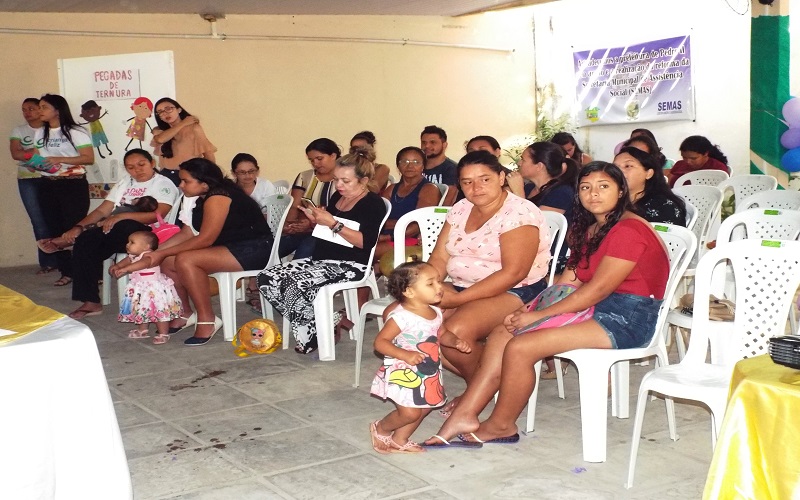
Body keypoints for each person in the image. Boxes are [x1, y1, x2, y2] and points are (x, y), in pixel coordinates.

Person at [424, 162, 670, 445]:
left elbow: (596, 290)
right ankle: (466, 413)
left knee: (521, 347)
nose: (594, 195)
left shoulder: (628, 230)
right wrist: (529, 310)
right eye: (586, 188)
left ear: (621, 190)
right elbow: (570, 282)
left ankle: (501, 425)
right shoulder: (594, 229)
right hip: (598, 308)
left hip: (627, 317)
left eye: (604, 187)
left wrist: (536, 318)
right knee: (506, 330)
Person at [426, 150, 551, 397]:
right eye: (467, 182)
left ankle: (476, 395)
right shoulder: (461, 208)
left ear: (502, 177)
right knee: (406, 319)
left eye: (485, 179)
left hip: (516, 289)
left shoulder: (518, 212)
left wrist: (460, 300)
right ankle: (485, 383)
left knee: (455, 333)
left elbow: (514, 272)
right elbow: (440, 258)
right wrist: (426, 287)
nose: (476, 187)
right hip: (461, 284)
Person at [258, 147, 388, 354]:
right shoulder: (338, 197)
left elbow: (366, 242)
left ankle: (314, 333)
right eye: (336, 180)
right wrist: (316, 222)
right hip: (322, 260)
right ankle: (326, 320)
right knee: (266, 278)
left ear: (363, 181)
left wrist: (333, 223)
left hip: (351, 264)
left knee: (294, 284)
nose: (339, 185)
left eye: (346, 181)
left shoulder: (372, 203)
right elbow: (328, 231)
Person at [143, 158, 273, 345]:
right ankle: (185, 313)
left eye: (186, 181)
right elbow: (188, 232)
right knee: (168, 261)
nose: (181, 185)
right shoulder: (200, 197)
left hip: (255, 248)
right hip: (231, 247)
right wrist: (155, 252)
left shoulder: (218, 196)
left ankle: (208, 319)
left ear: (204, 184)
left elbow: (206, 239)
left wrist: (161, 253)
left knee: (186, 260)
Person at [369, 261, 473, 454]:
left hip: (428, 370)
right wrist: (405, 355)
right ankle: (381, 428)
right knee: (409, 412)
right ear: (409, 292)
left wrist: (455, 341)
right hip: (403, 369)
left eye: (439, 282)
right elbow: (380, 343)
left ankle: (400, 439)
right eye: (430, 283)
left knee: (425, 407)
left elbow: (441, 333)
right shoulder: (401, 317)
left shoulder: (435, 312)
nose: (439, 287)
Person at [64, 149, 179, 319]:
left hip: (147, 235)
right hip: (118, 234)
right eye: (130, 167)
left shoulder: (163, 184)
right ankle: (91, 301)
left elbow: (157, 214)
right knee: (85, 241)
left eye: (141, 165)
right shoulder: (125, 182)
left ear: (152, 163)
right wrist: (79, 226)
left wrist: (120, 216)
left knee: (122, 226)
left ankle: (80, 241)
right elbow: (103, 209)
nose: (137, 170)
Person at [34, 94, 94, 287]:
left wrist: (59, 160)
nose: (39, 111)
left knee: (74, 228)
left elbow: (88, 158)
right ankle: (66, 271)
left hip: (72, 184)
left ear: (57, 110)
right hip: (47, 184)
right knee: (53, 228)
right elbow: (39, 157)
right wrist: (35, 164)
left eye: (44, 107)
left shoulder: (76, 131)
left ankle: (88, 272)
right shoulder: (39, 132)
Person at [9, 97, 56, 275]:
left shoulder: (51, 130)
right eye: (24, 110)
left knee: (55, 218)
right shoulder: (19, 130)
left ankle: (65, 260)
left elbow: (56, 153)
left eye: (31, 108)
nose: (27, 113)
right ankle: (47, 262)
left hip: (51, 178)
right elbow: (15, 153)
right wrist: (39, 154)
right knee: (38, 221)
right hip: (27, 180)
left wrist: (28, 154)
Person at [112, 231, 182, 344]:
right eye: (128, 242)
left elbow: (143, 264)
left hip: (153, 289)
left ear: (147, 247)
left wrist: (126, 269)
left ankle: (163, 332)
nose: (128, 244)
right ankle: (142, 329)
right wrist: (118, 266)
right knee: (141, 308)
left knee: (159, 310)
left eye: (132, 242)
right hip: (140, 288)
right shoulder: (133, 256)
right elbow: (126, 261)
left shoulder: (148, 256)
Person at [279, 138, 341, 259]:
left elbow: (342, 212)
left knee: (306, 249)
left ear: (333, 155)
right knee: (275, 248)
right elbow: (294, 206)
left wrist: (312, 223)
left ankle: (298, 276)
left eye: (319, 158)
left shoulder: (344, 179)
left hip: (332, 231)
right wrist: (290, 226)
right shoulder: (305, 176)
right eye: (311, 160)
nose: (315, 164)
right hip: (306, 229)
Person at [376, 147, 440, 260]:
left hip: (410, 239)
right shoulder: (392, 188)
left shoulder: (429, 189)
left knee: (366, 250)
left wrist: (387, 236)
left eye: (416, 162)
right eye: (404, 161)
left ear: (423, 166)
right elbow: (377, 216)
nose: (410, 166)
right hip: (386, 236)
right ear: (398, 166)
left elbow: (417, 225)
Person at [231, 152, 276, 309]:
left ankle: (254, 282)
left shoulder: (265, 185)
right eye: (242, 172)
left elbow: (271, 213)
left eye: (251, 171)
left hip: (263, 228)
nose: (247, 176)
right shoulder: (230, 189)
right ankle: (250, 282)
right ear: (234, 173)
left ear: (257, 171)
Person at [38, 195, 159, 252]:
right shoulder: (125, 184)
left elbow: (156, 216)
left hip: (117, 230)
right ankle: (74, 240)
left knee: (93, 230)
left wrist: (117, 217)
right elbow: (101, 211)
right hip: (110, 229)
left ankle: (71, 241)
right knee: (93, 233)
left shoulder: (124, 209)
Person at [151, 98, 217, 187]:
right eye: (160, 112)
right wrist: (183, 123)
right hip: (166, 175)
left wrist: (212, 175)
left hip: (189, 175)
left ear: (179, 110)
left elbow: (208, 153)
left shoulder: (194, 128)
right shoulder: (159, 130)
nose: (165, 113)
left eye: (168, 109)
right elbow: (160, 139)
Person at [614, 146, 686, 226]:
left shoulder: (664, 208)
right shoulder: (612, 200)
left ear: (649, 173)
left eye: (628, 166)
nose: (618, 171)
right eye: (615, 167)